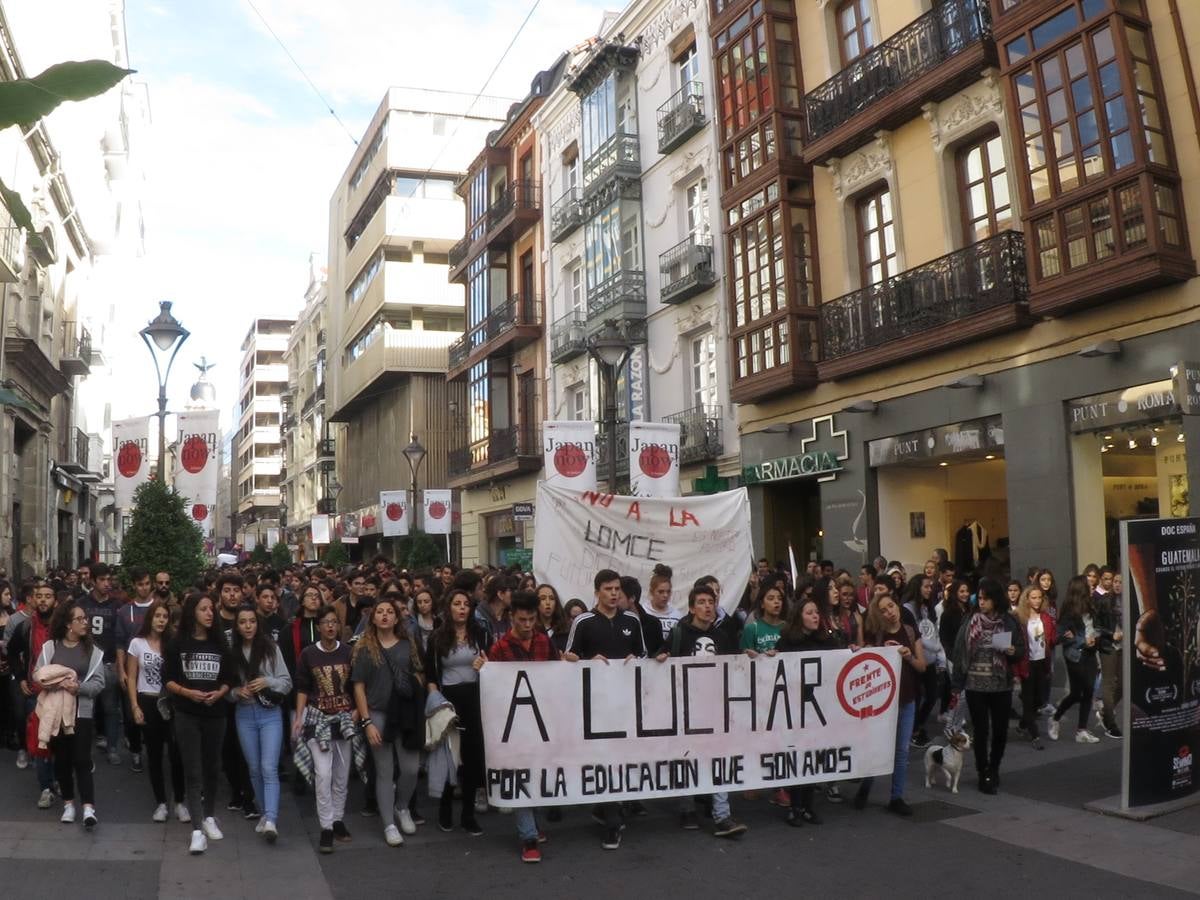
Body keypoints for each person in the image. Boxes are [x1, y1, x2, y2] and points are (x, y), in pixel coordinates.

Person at [564, 569, 648, 850]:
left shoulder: (632, 621)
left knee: (622, 757)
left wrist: (635, 659)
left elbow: (643, 654)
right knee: (604, 758)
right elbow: (569, 657)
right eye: (608, 589)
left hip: (625, 702)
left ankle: (608, 807)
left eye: (617, 589)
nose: (614, 594)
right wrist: (588, 659)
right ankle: (612, 822)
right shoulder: (583, 621)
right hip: (595, 705)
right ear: (597, 590)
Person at [658, 584, 747, 838]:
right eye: (702, 602)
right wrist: (661, 658)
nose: (708, 607)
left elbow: (737, 664)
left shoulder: (723, 636)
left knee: (719, 757)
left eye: (711, 601)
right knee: (686, 755)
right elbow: (660, 659)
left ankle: (722, 815)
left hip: (716, 707)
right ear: (691, 607)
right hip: (685, 707)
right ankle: (687, 807)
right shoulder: (679, 633)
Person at [485, 591, 558, 862]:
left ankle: (534, 826)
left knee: (538, 775)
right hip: (513, 726)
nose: (527, 625)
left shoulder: (544, 642)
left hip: (541, 724)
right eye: (522, 620)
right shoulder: (500, 649)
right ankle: (528, 837)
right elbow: (492, 688)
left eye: (531, 620)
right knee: (521, 777)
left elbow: (558, 674)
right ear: (511, 618)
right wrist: (484, 670)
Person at [165, 593, 236, 854]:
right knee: (193, 770)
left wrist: (220, 692)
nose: (209, 613)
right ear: (192, 612)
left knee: (212, 767)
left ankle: (209, 816)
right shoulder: (177, 643)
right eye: (204, 609)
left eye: (211, 609)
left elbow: (229, 677)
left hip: (216, 714)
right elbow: (169, 680)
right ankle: (197, 830)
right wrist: (188, 692)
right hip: (186, 713)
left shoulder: (220, 644)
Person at [351, 596, 422, 848]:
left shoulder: (407, 643)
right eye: (379, 611)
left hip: (404, 713)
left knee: (411, 768)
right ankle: (389, 824)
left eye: (389, 611)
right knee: (384, 770)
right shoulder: (363, 646)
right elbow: (358, 686)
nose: (384, 615)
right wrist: (366, 721)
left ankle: (402, 807)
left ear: (396, 617)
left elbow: (418, 672)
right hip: (378, 712)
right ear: (372, 617)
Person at [424, 587, 489, 836]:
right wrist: (435, 701)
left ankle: (468, 815)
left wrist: (485, 665)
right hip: (448, 700)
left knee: (472, 758)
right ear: (449, 607)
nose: (462, 608)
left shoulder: (481, 634)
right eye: (457, 603)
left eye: (466, 604)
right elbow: (431, 675)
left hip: (475, 697)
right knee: (449, 756)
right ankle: (445, 809)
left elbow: (493, 665)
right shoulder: (437, 638)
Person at [34, 600, 106, 829]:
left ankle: (88, 808)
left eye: (85, 619)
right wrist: (56, 683)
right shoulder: (50, 648)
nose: (85, 623)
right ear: (67, 624)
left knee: (82, 759)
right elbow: (38, 675)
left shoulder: (93, 651)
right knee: (62, 760)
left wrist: (80, 689)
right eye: (80, 619)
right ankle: (68, 804)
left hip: (81, 712)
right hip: (55, 713)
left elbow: (99, 682)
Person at [952, 577, 1026, 793]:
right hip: (975, 685)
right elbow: (959, 652)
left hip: (1001, 684)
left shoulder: (1007, 621)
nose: (981, 602)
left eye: (986, 599)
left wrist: (1013, 651)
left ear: (995, 599)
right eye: (980, 598)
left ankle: (994, 768)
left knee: (1001, 731)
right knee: (981, 730)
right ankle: (983, 771)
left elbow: (1020, 648)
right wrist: (957, 685)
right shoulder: (971, 620)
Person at [294, 605, 358, 854]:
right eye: (326, 622)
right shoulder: (309, 655)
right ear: (318, 626)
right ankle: (326, 827)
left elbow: (356, 685)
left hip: (344, 720)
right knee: (323, 775)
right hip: (317, 720)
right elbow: (301, 687)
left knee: (341, 775)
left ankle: (338, 819)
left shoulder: (349, 652)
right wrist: (298, 717)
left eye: (334, 622)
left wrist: (355, 712)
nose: (331, 626)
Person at [857, 593, 927, 815]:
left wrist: (907, 657)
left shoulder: (909, 630)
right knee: (878, 746)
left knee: (902, 750)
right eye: (884, 610)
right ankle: (866, 786)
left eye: (891, 606)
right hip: (882, 701)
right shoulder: (876, 635)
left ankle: (896, 797)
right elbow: (864, 660)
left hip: (906, 698)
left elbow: (922, 666)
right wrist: (881, 651)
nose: (890, 612)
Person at [775, 595, 841, 821]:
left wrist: (852, 650)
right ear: (798, 617)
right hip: (793, 708)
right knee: (796, 755)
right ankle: (795, 806)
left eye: (816, 612)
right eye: (809, 612)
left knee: (813, 757)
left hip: (817, 709)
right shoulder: (786, 641)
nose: (815, 616)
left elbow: (841, 661)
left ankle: (808, 806)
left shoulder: (827, 640)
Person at [230, 606, 292, 843]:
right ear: (237, 626)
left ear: (258, 624)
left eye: (252, 621)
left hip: (270, 714)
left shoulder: (270, 649)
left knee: (268, 767)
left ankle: (272, 820)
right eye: (243, 622)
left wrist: (267, 681)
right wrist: (237, 692)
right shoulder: (233, 653)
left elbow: (286, 682)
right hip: (244, 714)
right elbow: (227, 692)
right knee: (254, 768)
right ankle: (266, 814)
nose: (248, 626)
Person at [125, 601, 187, 823]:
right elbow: (131, 677)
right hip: (147, 701)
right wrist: (134, 706)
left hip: (170, 702)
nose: (161, 620)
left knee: (176, 754)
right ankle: (161, 802)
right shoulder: (137, 643)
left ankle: (179, 801)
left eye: (165, 616)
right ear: (150, 618)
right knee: (153, 754)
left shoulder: (174, 643)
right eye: (158, 616)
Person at [8, 579, 58, 806]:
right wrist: (20, 678)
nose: (43, 600)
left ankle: (57, 778)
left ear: (55, 600)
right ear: (33, 599)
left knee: (59, 738)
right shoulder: (26, 627)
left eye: (48, 596)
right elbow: (11, 652)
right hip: (34, 692)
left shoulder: (62, 627)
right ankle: (45, 786)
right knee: (40, 740)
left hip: (59, 692)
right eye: (40, 596)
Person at [1048, 576, 1101, 744]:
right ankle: (1055, 718)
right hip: (1075, 655)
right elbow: (1057, 637)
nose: (1093, 587)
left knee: (1088, 691)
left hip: (1090, 653)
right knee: (1078, 692)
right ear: (1081, 590)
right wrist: (1080, 640)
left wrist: (1095, 637)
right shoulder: (1069, 612)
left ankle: (1081, 731)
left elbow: (1094, 627)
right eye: (1089, 585)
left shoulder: (1091, 606)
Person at [80, 563, 123, 766]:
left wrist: (118, 663)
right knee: (86, 710)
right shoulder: (82, 604)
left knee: (111, 708)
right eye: (103, 580)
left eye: (109, 580)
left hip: (108, 663)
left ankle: (112, 747)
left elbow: (120, 637)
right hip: (87, 665)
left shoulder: (117, 606)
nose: (107, 584)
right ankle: (84, 753)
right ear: (93, 581)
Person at [114, 568, 157, 775]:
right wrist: (121, 669)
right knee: (131, 715)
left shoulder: (158, 609)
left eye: (147, 583)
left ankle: (153, 751)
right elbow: (120, 643)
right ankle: (135, 751)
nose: (144, 587)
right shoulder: (124, 612)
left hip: (154, 671)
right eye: (140, 584)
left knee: (153, 714)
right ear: (134, 586)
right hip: (132, 671)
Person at [902, 575, 944, 749]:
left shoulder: (926, 608)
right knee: (918, 697)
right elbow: (914, 635)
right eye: (926, 586)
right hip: (916, 659)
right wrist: (933, 647)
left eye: (930, 587)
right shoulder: (907, 609)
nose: (929, 589)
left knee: (932, 695)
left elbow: (931, 632)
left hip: (930, 659)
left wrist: (939, 653)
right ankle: (913, 730)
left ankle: (917, 726)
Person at [1014, 585, 1056, 749]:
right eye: (1034, 597)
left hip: (1042, 662)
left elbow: (1051, 639)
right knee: (1029, 700)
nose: (1037, 601)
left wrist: (1061, 637)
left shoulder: (1045, 617)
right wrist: (1015, 671)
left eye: (1040, 597)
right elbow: (1013, 641)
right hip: (1026, 663)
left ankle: (1023, 725)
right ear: (1027, 599)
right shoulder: (1019, 618)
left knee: (1039, 700)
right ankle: (1035, 735)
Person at [1092, 566, 1123, 739]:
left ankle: (1105, 711)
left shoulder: (1128, 601)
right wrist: (1112, 634)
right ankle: (1110, 724)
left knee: (1123, 685)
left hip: (1124, 647)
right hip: (1108, 646)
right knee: (1109, 684)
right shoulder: (1104, 601)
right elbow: (1097, 626)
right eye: (1115, 581)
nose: (1117, 585)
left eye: (1120, 582)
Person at [740, 581, 786, 656]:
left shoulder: (787, 628)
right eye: (771, 599)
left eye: (780, 599)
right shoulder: (751, 629)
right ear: (762, 604)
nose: (776, 601)